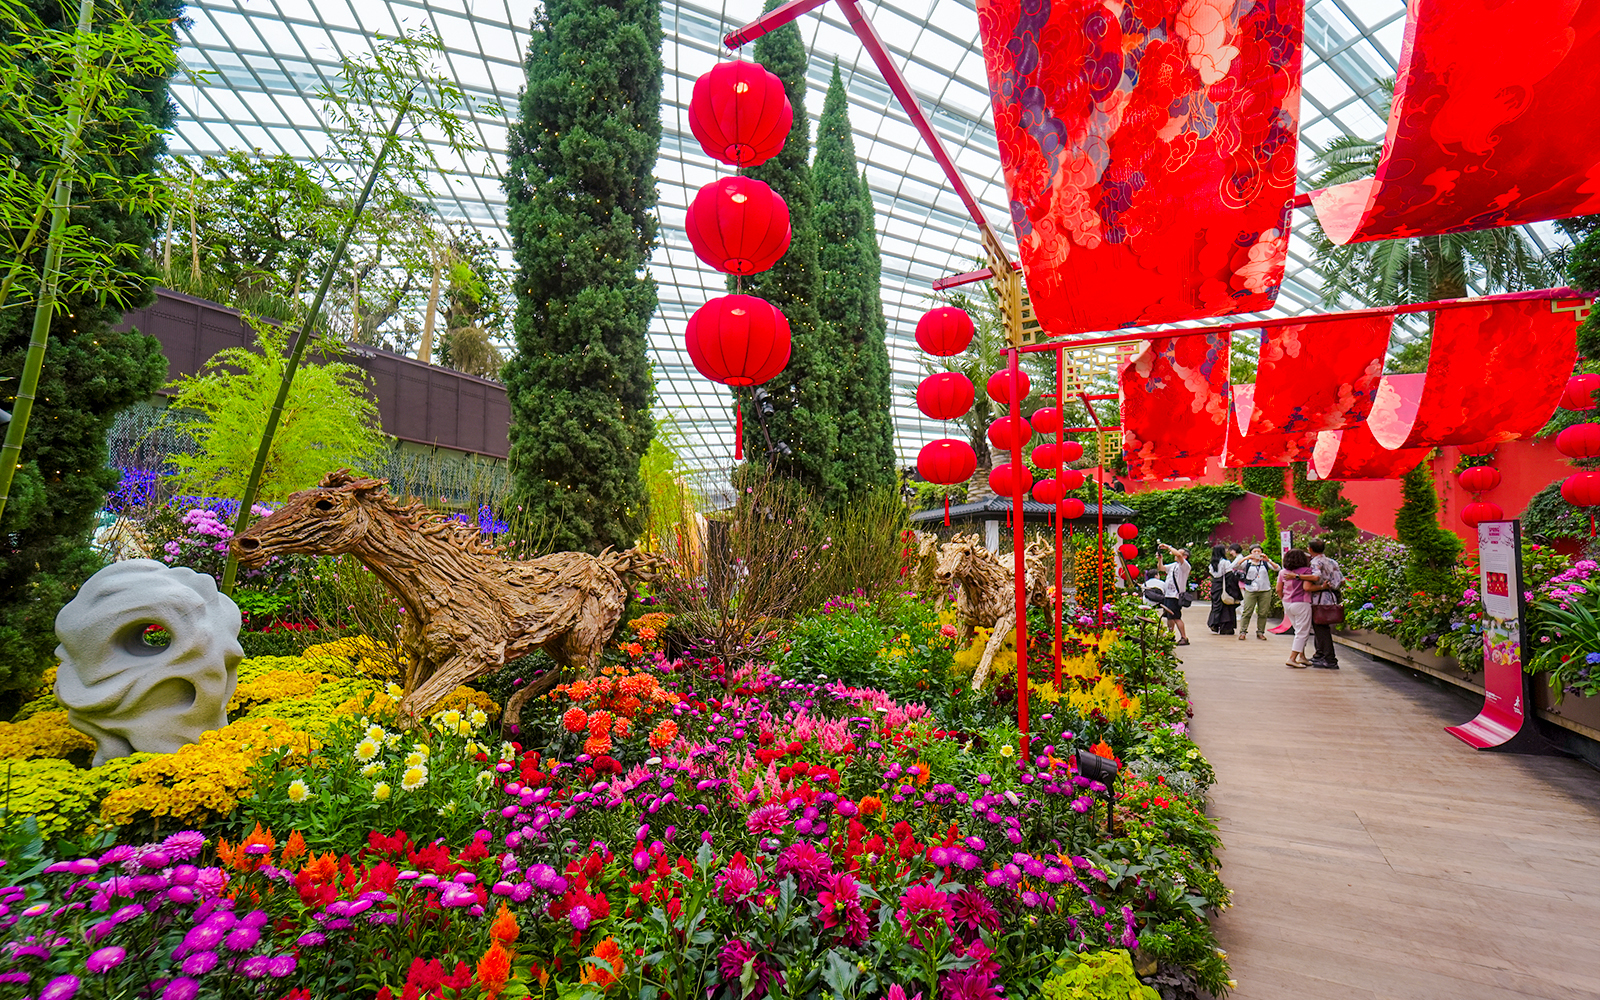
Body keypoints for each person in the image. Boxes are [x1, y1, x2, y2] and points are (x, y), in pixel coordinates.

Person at [1306, 538, 1344, 669]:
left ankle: (1329, 658)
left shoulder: (1314, 563)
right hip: (1330, 596)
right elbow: (1341, 580)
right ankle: (1320, 654)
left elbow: (1315, 576)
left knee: (1321, 628)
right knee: (1321, 627)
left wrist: (1297, 577)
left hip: (1318, 597)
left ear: (1310, 549)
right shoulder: (1332, 562)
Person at [1277, 549, 1317, 667]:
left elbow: (1278, 589)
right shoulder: (1306, 571)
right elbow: (1307, 587)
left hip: (1287, 603)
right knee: (1302, 632)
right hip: (1302, 603)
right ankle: (1292, 658)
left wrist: (1283, 598)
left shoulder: (1282, 572)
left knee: (1297, 630)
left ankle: (1302, 656)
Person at [1231, 544, 1278, 640]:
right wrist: (1246, 558)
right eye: (1254, 552)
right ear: (1250, 553)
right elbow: (1235, 566)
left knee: (1263, 613)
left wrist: (1267, 560)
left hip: (1265, 590)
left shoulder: (1265, 563)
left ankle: (1260, 632)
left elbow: (1277, 568)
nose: (1257, 553)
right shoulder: (1247, 563)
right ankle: (1243, 631)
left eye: (1259, 551)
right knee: (1247, 611)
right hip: (1250, 590)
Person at [1154, 543, 1191, 646]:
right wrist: (1160, 559)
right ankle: (1171, 636)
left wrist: (1168, 547)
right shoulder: (1173, 565)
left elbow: (1178, 555)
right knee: (1169, 617)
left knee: (1176, 617)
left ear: (1185, 556)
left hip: (1175, 595)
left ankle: (1184, 637)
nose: (1175, 554)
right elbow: (1161, 568)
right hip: (1168, 595)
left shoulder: (1185, 566)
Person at [1206, 544, 1238, 635]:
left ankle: (1214, 623)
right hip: (1224, 585)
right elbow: (1229, 575)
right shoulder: (1225, 562)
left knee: (1216, 605)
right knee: (1226, 607)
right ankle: (1226, 627)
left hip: (1215, 585)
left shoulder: (1212, 564)